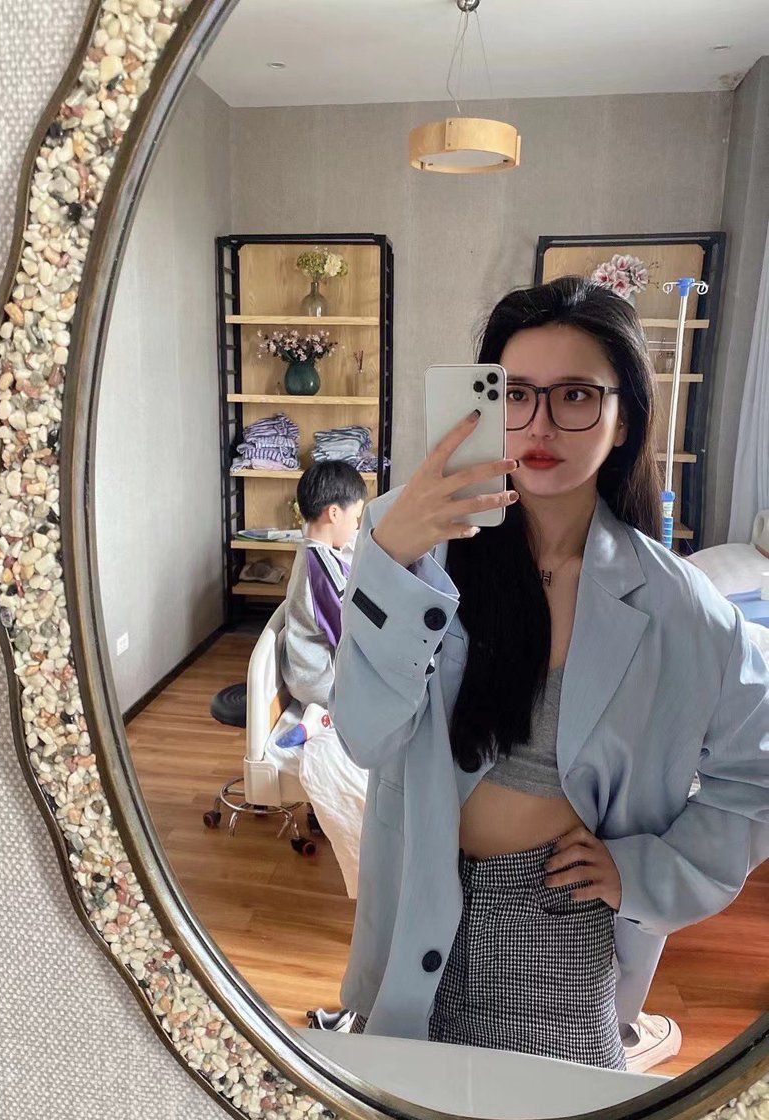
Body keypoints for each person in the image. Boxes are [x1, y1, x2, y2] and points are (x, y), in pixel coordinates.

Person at [328, 276, 769, 1073]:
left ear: (624, 417)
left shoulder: (680, 606)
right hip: (418, 896)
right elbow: (365, 735)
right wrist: (389, 562)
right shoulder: (415, 548)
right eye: (515, 394)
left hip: (558, 918)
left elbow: (757, 770)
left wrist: (648, 873)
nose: (538, 424)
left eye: (575, 396)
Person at [280, 461, 366, 708]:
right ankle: (320, 717)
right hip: (321, 684)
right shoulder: (321, 568)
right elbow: (350, 634)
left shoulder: (312, 550)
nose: (356, 526)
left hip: (307, 671)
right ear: (334, 514)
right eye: (356, 517)